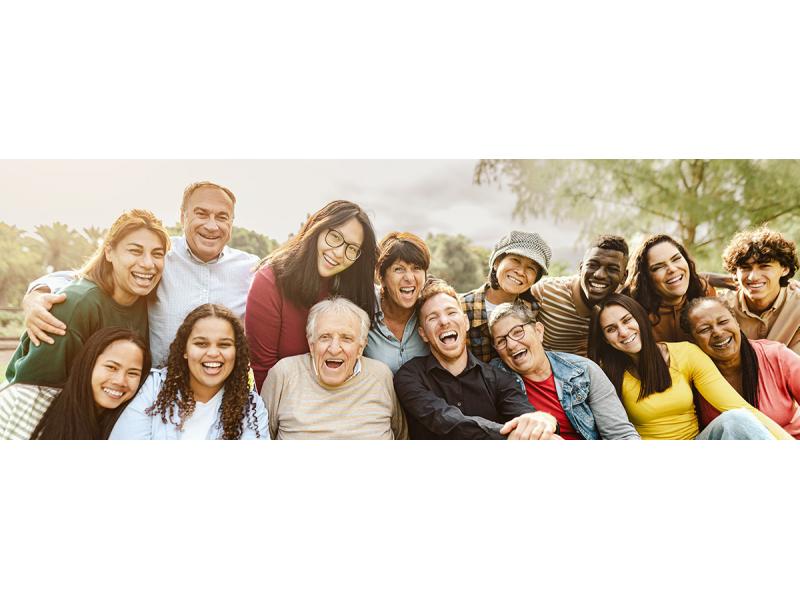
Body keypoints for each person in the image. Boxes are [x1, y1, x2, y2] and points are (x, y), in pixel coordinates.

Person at [20, 181, 259, 367]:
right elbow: (87, 276)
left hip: (218, 393)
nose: (211, 225)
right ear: (183, 216)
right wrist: (36, 295)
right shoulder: (158, 256)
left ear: (232, 222)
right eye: (202, 214)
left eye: (222, 217)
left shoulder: (250, 269)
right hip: (152, 390)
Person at [590, 293, 790, 440]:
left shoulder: (685, 353)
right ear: (606, 340)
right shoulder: (605, 375)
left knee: (735, 418)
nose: (624, 332)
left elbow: (739, 407)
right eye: (611, 329)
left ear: (640, 319)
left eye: (627, 320)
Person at [6, 209, 169, 387]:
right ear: (109, 252)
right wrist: (34, 294)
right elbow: (33, 391)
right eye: (135, 251)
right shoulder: (75, 305)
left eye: (157, 254)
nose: (148, 264)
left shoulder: (152, 301)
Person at [394, 278, 560, 440]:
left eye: (451, 312)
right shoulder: (409, 376)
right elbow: (442, 418)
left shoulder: (500, 380)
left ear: (466, 322)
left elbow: (526, 417)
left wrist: (543, 422)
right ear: (423, 334)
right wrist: (510, 435)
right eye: (432, 318)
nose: (444, 321)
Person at [246, 200, 379, 390]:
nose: (340, 253)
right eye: (334, 237)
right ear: (317, 229)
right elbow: (263, 371)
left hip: (346, 399)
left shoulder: (353, 288)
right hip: (288, 402)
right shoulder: (270, 282)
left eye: (352, 249)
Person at [110, 304, 266, 440]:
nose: (212, 352)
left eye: (224, 345)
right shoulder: (152, 388)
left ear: (236, 352)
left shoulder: (251, 407)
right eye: (201, 343)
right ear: (184, 349)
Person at [488, 301, 639, 439]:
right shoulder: (494, 377)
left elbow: (621, 434)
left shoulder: (584, 371)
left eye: (517, 332)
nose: (511, 345)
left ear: (539, 331)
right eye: (501, 341)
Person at [262, 297, 407, 439]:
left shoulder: (381, 376)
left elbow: (401, 436)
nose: (334, 348)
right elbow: (260, 436)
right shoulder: (284, 374)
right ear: (311, 344)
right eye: (325, 337)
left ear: (360, 348)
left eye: (346, 338)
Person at [681, 297, 800, 438]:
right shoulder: (689, 376)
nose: (718, 332)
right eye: (704, 329)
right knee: (734, 420)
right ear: (692, 340)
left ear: (736, 322)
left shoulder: (775, 355)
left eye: (723, 322)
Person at [0, 327, 150, 440]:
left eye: (132, 373)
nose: (120, 381)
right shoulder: (20, 400)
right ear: (88, 364)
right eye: (111, 367)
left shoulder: (131, 429)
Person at [460, 230, 552, 363]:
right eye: (515, 260)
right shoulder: (462, 306)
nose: (520, 272)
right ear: (496, 263)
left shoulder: (533, 309)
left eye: (531, 268)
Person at [532, 234, 628, 357]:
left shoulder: (622, 309)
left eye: (612, 269)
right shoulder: (545, 291)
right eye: (593, 265)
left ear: (624, 277)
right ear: (581, 268)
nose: (600, 275)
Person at [720, 227, 800, 354]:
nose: (753, 277)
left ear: (784, 269)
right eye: (745, 268)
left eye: (764, 266)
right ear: (735, 272)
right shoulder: (721, 307)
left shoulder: (797, 305)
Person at [625, 233, 715, 343]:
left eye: (676, 259)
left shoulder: (705, 291)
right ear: (645, 278)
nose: (672, 269)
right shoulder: (632, 313)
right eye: (658, 267)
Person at [363, 231, 431, 373]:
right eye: (399, 269)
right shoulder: (363, 305)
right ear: (381, 277)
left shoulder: (431, 309)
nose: (409, 278)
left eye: (417, 268)